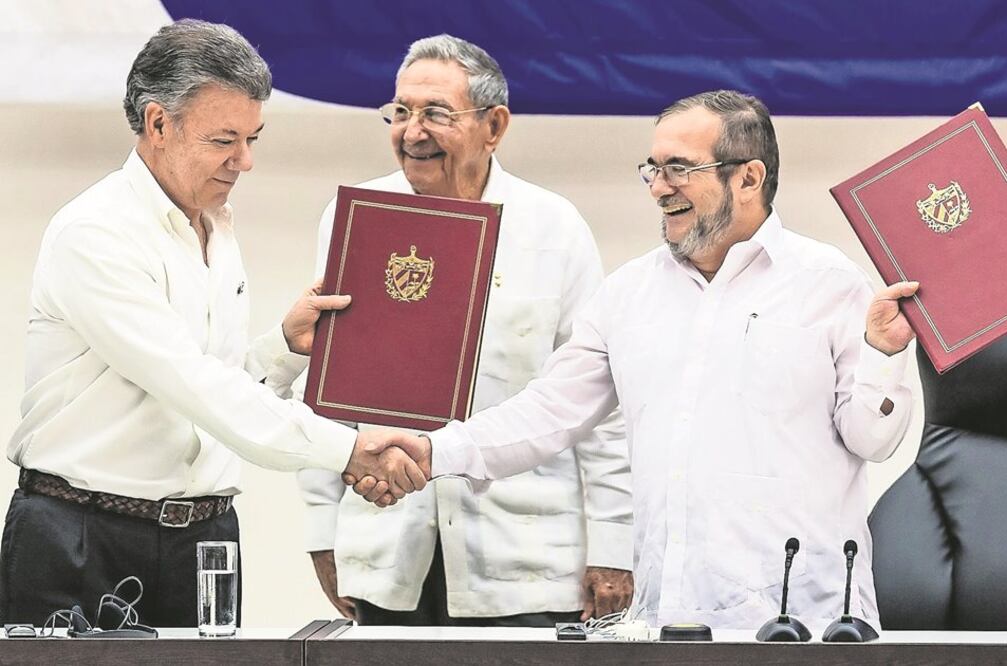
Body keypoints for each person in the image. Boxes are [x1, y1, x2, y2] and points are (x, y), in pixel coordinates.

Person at [356, 90, 920, 630]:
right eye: (651, 169)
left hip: (803, 620)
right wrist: (433, 451)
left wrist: (885, 355)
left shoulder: (830, 283)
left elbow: (873, 440)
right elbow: (549, 412)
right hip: (666, 618)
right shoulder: (629, 293)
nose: (657, 188)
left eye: (679, 169)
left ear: (748, 177)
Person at [0, 19, 422, 628]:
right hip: (85, 539)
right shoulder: (94, 233)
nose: (244, 161)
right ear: (158, 124)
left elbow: (209, 393)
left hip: (202, 538)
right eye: (225, 139)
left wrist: (281, 349)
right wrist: (350, 450)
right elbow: (193, 385)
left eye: (253, 137)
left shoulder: (216, 225)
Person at [297, 34, 634, 627]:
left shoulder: (554, 227)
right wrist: (323, 529)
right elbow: (321, 387)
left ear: (495, 125)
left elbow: (599, 405)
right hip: (387, 551)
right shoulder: (359, 217)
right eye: (400, 112)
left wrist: (612, 546)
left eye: (436, 114)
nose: (412, 131)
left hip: (527, 564)